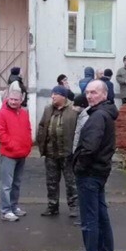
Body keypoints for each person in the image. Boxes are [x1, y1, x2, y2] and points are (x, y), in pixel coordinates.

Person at [72, 80, 119, 251]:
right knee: (101, 216)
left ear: (105, 95)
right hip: (99, 172)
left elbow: (90, 147)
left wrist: (78, 167)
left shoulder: (98, 116)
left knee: (90, 220)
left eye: (94, 92)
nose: (90, 96)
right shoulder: (105, 114)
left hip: (90, 173)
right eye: (88, 93)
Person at [37, 85, 79, 218]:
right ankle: (52, 206)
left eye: (55, 94)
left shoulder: (73, 110)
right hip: (50, 153)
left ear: (63, 96)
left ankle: (74, 207)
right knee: (51, 182)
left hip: (67, 153)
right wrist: (41, 143)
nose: (52, 96)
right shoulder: (48, 109)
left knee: (71, 182)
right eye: (52, 94)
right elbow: (42, 126)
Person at [0, 82, 33, 222]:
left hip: (21, 153)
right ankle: (5, 210)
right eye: (11, 99)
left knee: (16, 182)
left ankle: (13, 206)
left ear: (21, 100)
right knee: (6, 184)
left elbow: (28, 130)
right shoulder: (1, 113)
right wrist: (13, 146)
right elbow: (0, 134)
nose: (13, 102)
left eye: (16, 100)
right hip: (9, 153)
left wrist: (28, 145)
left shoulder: (24, 113)